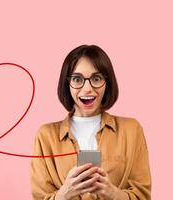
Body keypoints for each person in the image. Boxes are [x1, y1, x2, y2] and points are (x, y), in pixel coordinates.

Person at [30, 45, 151, 199]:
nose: (87, 88)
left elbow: (143, 196)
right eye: (77, 79)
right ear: (67, 84)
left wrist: (113, 193)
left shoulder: (131, 130)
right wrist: (64, 194)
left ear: (107, 83)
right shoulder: (46, 136)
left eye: (96, 78)